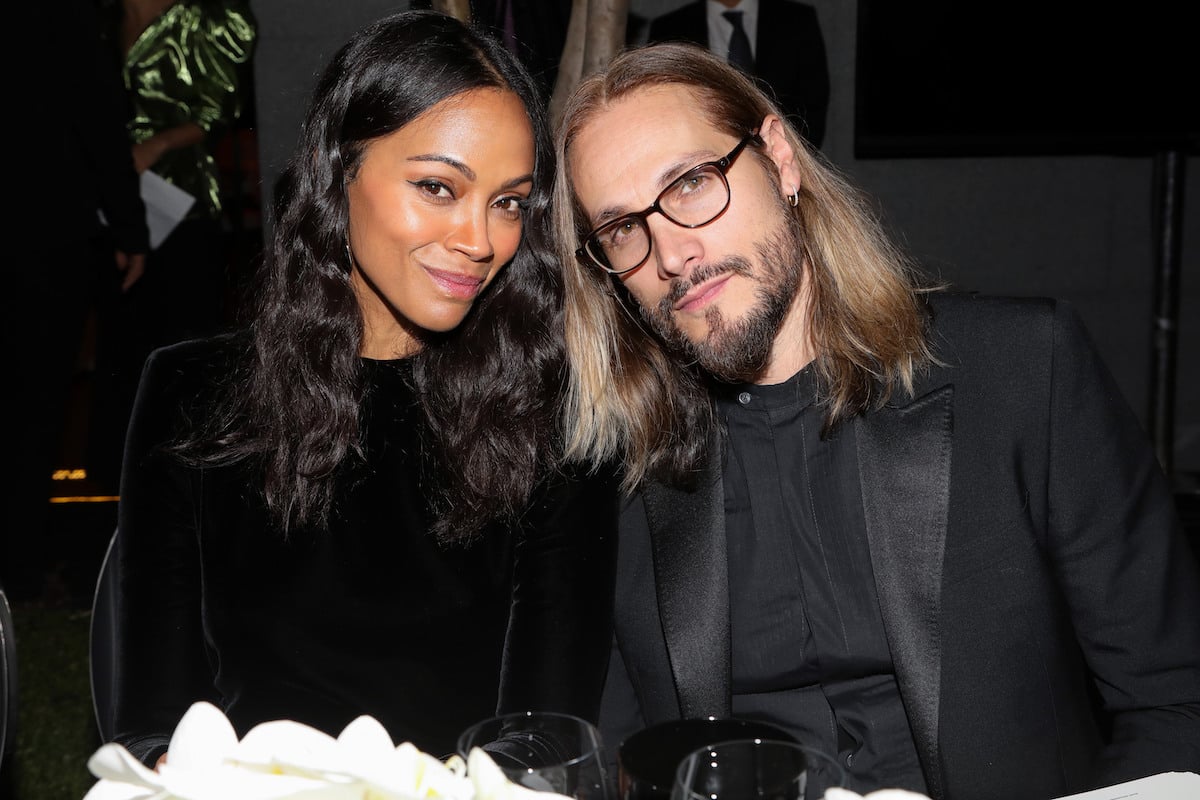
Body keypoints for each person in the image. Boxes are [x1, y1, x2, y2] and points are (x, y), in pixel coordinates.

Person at [549, 42, 1200, 799]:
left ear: (779, 161)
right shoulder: (616, 478)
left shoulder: (1024, 371)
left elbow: (1176, 701)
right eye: (623, 228)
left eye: (692, 184)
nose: (671, 253)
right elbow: (619, 759)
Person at [105, 9, 617, 768]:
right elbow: (151, 728)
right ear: (339, 170)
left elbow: (546, 739)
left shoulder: (550, 410)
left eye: (509, 201)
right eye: (439, 187)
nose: (481, 240)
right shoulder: (192, 393)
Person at [3, 0, 150, 603]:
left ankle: (18, 564)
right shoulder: (60, 14)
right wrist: (130, 229)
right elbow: (98, 117)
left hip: (44, 231)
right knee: (32, 406)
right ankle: (17, 568)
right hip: (44, 235)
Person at [88, 0, 258, 494]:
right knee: (118, 343)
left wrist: (156, 146)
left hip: (181, 199)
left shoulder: (210, 14)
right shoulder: (98, 15)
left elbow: (221, 108)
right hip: (108, 199)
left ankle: (190, 480)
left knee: (184, 341)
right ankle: (113, 489)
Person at [645, 0, 829, 147]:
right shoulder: (669, 28)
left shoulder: (797, 20)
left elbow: (814, 102)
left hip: (785, 157)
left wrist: (791, 158)